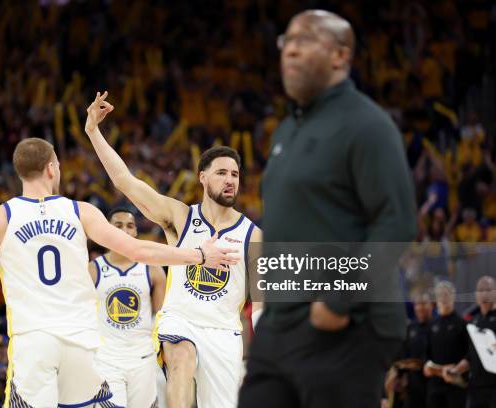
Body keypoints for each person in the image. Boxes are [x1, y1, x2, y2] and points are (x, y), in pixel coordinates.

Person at [0, 138, 238, 407]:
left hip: (35, 343)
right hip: (82, 347)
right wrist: (198, 254)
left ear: (19, 172)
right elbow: (139, 251)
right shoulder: (80, 211)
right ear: (52, 168)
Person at [239, 9, 417, 408]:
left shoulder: (368, 125)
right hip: (282, 323)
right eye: (287, 42)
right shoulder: (287, 129)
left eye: (305, 40)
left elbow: (397, 224)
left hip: (344, 326)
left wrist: (338, 300)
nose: (291, 51)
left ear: (340, 55)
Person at [84, 92, 262, 408]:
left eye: (235, 174)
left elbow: (261, 303)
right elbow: (126, 182)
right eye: (222, 173)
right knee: (181, 356)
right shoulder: (181, 216)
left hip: (224, 333)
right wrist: (94, 133)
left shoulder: (253, 235)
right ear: (203, 177)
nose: (230, 179)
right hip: (180, 320)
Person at [89, 207, 166, 408]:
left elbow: (162, 319)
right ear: (107, 229)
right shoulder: (93, 269)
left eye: (130, 225)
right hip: (106, 357)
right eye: (118, 225)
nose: (124, 229)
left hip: (143, 358)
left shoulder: (153, 269)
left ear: (135, 233)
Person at [446, 276, 496, 408]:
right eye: (481, 290)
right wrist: (456, 371)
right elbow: (470, 356)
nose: (484, 294)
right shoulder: (473, 322)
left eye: (488, 290)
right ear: (476, 295)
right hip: (475, 388)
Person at [423, 281, 468, 408]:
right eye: (440, 295)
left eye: (446, 294)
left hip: (455, 385)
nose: (443, 298)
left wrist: (456, 370)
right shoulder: (432, 324)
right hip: (435, 386)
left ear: (453, 297)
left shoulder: (462, 324)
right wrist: (428, 366)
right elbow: (426, 354)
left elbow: (469, 355)